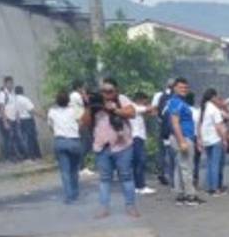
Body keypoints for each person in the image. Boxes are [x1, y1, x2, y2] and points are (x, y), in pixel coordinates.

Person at [87, 78, 140, 219]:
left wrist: (114, 109)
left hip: (123, 145)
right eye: (103, 91)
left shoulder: (121, 99)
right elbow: (84, 123)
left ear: (116, 91)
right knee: (104, 179)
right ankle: (104, 208)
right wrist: (89, 106)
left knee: (126, 176)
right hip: (102, 146)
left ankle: (130, 206)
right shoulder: (95, 102)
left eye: (109, 91)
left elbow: (132, 113)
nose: (106, 94)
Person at [164, 78, 201, 206]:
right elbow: (175, 123)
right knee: (186, 167)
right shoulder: (176, 102)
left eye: (185, 87)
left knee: (180, 167)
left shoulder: (178, 101)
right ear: (174, 88)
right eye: (181, 87)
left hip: (183, 137)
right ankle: (190, 196)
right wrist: (182, 141)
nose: (184, 89)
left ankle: (180, 195)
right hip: (183, 137)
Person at [48, 90, 83, 204]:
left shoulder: (52, 112)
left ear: (57, 101)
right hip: (74, 141)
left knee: (65, 171)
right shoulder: (74, 110)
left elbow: (51, 127)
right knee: (74, 170)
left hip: (60, 141)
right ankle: (75, 192)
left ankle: (69, 196)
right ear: (68, 100)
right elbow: (81, 123)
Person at [199, 88, 228, 196]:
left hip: (206, 139)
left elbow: (200, 125)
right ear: (213, 97)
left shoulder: (203, 108)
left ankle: (209, 186)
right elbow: (219, 126)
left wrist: (200, 139)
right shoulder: (214, 110)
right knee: (215, 164)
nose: (218, 99)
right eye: (216, 97)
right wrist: (224, 139)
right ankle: (215, 188)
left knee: (210, 163)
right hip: (215, 139)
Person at [129, 92, 156, 195]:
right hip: (136, 138)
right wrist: (151, 106)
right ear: (140, 100)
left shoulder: (136, 109)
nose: (146, 103)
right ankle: (141, 186)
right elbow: (150, 109)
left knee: (137, 163)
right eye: (145, 101)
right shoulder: (134, 107)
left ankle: (137, 186)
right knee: (140, 162)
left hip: (138, 137)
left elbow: (150, 113)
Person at [152, 79, 175, 186]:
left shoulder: (159, 95)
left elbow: (154, 110)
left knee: (162, 150)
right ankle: (169, 174)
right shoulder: (175, 96)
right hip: (169, 125)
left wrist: (159, 120)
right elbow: (154, 110)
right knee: (170, 150)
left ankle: (162, 173)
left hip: (161, 124)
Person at [0, 76, 23, 162]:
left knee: (15, 138)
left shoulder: (13, 94)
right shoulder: (3, 94)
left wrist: (18, 118)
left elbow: (16, 107)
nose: (11, 85)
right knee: (8, 139)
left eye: (12, 83)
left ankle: (15, 156)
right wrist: (5, 122)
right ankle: (8, 157)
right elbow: (2, 108)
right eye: (9, 83)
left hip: (14, 119)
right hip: (6, 119)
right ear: (5, 84)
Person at [13, 86, 42, 161]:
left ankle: (30, 155)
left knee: (26, 139)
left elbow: (16, 112)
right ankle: (35, 155)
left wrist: (18, 121)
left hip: (21, 121)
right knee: (32, 138)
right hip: (28, 120)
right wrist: (41, 115)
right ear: (22, 91)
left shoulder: (15, 100)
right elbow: (31, 110)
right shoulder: (24, 99)